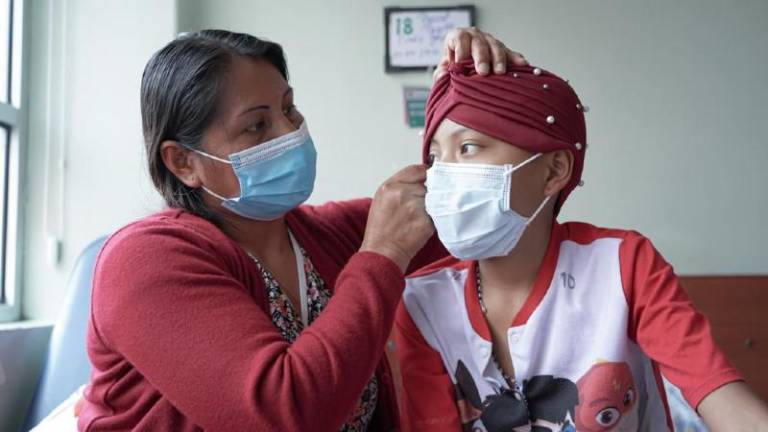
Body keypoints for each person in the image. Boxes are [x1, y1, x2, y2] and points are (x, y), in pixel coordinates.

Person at [78, 29, 527, 431]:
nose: (290, 132)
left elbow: (486, 212)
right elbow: (282, 416)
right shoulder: (143, 261)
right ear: (183, 162)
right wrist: (384, 253)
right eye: (257, 126)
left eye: (289, 109)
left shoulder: (325, 235)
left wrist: (469, 99)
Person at [394, 59, 768, 431]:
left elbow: (721, 395)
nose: (443, 174)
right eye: (434, 157)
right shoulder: (421, 301)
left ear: (554, 170)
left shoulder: (623, 265)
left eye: (469, 147)